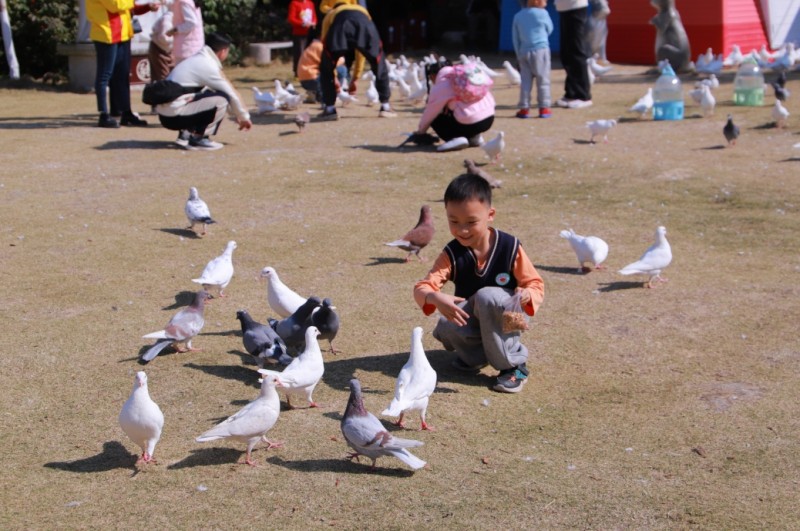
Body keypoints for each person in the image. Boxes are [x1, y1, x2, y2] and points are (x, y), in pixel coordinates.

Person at [414, 174, 545, 393]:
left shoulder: (509, 246)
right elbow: (423, 287)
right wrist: (434, 297)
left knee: (488, 296)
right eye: (453, 221)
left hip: (508, 314)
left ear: (490, 215)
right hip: (477, 317)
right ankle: (476, 357)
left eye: (471, 222)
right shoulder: (452, 253)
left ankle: (516, 367)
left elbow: (535, 283)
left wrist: (526, 295)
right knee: (445, 326)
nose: (462, 230)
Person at [155, 32, 252, 151]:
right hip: (174, 116)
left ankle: (186, 134)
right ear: (223, 51)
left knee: (208, 93)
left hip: (166, 115)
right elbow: (231, 93)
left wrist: (236, 114)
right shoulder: (207, 64)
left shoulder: (196, 59)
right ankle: (199, 138)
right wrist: (244, 117)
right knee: (221, 99)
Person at [317, 0, 396, 120]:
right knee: (379, 62)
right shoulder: (362, 10)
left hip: (339, 24)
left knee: (326, 66)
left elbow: (325, 45)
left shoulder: (331, 13)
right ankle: (385, 106)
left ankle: (329, 109)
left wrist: (332, 74)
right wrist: (355, 78)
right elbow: (361, 52)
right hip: (364, 23)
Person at [86, 0, 159, 128]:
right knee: (104, 75)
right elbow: (115, 5)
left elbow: (128, 8)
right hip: (106, 34)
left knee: (123, 74)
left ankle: (125, 112)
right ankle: (103, 114)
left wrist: (147, 7)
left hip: (122, 33)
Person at [413, 61, 495, 152]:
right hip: (489, 118)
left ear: (433, 76)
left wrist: (420, 132)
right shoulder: (465, 76)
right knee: (461, 111)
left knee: (435, 118)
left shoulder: (442, 84)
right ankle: (474, 137)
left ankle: (455, 138)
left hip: (470, 121)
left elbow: (429, 113)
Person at [512, 0, 553, 118]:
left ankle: (524, 108)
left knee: (525, 82)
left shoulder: (518, 16)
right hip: (541, 50)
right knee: (543, 79)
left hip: (524, 51)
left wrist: (518, 54)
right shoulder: (543, 14)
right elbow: (549, 29)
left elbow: (515, 37)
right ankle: (544, 108)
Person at [554, 0, 592, 108]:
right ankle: (571, 93)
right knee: (567, 53)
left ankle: (583, 95)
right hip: (564, 7)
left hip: (575, 7)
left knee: (576, 51)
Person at [297, 38, 348, 104]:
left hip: (304, 79)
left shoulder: (314, 45)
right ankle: (335, 94)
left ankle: (314, 93)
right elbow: (331, 63)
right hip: (313, 78)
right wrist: (342, 59)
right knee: (342, 69)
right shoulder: (321, 46)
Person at [287, 0, 317, 78]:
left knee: (310, 54)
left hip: (310, 32)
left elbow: (314, 17)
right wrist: (302, 24)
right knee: (299, 53)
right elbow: (291, 18)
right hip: (299, 33)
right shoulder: (294, 3)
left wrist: (313, 22)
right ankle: (297, 73)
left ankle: (309, 72)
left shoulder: (310, 3)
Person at [168, 0, 204, 65]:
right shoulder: (187, 2)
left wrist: (174, 30)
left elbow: (191, 23)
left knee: (182, 73)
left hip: (186, 49)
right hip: (192, 48)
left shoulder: (184, 2)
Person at [148, 3, 174, 82]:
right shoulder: (167, 19)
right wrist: (177, 37)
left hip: (168, 50)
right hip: (159, 50)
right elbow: (163, 38)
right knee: (163, 78)